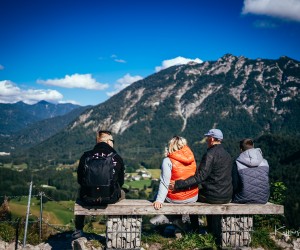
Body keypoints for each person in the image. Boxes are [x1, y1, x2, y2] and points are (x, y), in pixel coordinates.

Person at [170, 129, 232, 234]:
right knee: (201, 195)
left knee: (192, 197)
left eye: (207, 138)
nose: (206, 140)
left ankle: (194, 229)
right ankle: (212, 230)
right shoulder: (227, 154)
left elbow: (199, 177)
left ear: (212, 139)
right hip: (227, 195)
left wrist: (178, 184)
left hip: (213, 196)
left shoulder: (210, 154)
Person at [72, 130, 125, 239]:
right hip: (110, 197)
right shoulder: (116, 157)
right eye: (112, 140)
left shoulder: (86, 156)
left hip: (87, 197)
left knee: (80, 191)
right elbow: (121, 182)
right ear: (108, 141)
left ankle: (79, 230)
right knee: (123, 193)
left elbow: (80, 179)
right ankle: (116, 230)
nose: (113, 143)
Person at [151, 136, 198, 232]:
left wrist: (159, 200)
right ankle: (180, 225)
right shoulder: (192, 159)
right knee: (167, 195)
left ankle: (176, 220)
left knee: (157, 196)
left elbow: (165, 182)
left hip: (176, 199)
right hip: (193, 197)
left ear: (171, 146)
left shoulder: (167, 161)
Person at [232, 138, 269, 204]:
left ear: (241, 149)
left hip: (241, 198)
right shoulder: (264, 162)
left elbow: (235, 185)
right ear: (253, 146)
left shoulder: (237, 163)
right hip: (263, 198)